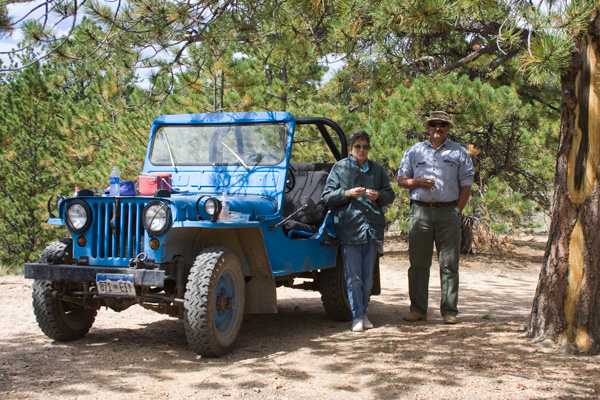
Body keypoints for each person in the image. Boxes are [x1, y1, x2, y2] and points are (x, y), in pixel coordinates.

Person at [397, 111, 475, 324]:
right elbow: (401, 180)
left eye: (442, 125)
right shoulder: (414, 151)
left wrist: (456, 211)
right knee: (418, 264)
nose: (437, 128)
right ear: (428, 127)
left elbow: (466, 185)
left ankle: (449, 311)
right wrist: (417, 182)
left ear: (448, 128)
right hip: (420, 211)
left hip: (448, 213)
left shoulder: (459, 153)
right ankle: (418, 309)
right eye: (434, 125)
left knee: (449, 264)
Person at [322, 130, 395, 333]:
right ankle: (357, 317)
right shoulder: (340, 168)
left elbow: (390, 195)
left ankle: (364, 313)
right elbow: (326, 196)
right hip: (350, 228)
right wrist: (347, 193)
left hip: (371, 229)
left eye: (365, 147)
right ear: (350, 149)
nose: (361, 150)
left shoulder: (377, 170)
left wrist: (378, 195)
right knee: (353, 276)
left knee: (368, 276)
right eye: (357, 147)